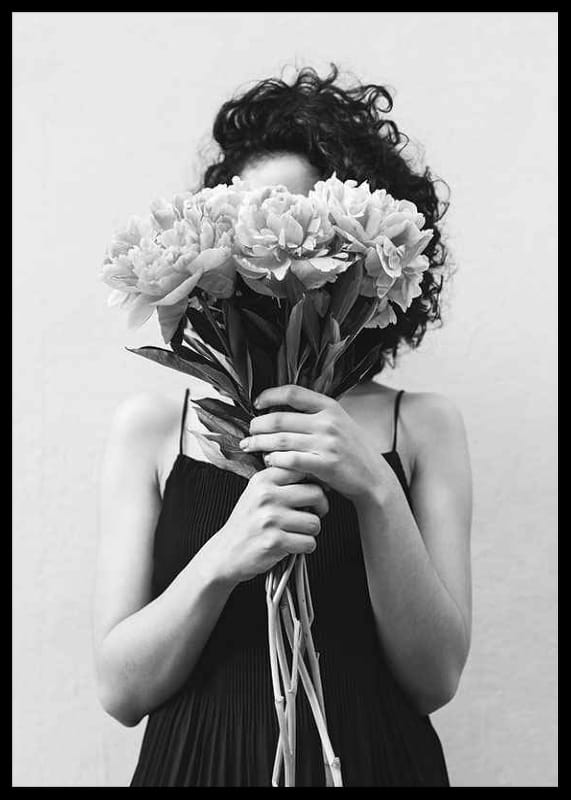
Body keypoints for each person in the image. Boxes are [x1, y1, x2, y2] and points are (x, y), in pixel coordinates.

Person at [93, 65, 473, 787]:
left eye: (293, 215)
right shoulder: (153, 428)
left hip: (373, 764)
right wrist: (223, 556)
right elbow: (120, 691)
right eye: (237, 220)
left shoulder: (422, 425)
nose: (260, 244)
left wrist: (374, 489)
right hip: (196, 767)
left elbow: (434, 680)